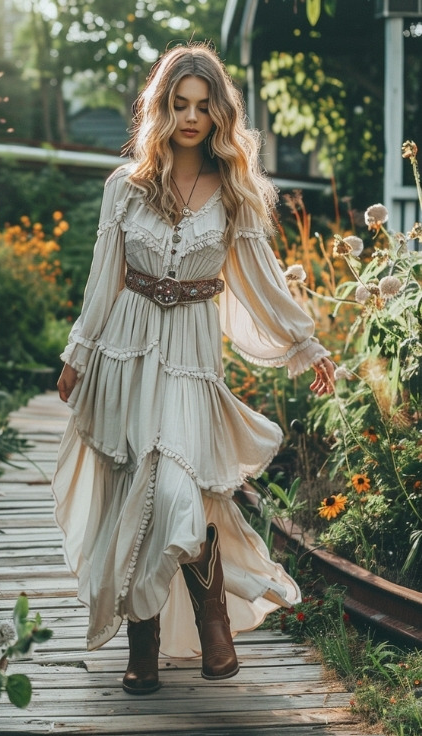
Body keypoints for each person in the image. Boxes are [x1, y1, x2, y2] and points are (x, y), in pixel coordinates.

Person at [52, 42, 335, 696]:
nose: (190, 117)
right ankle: (143, 645)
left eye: (202, 107)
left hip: (189, 357)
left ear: (218, 115)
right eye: (178, 104)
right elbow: (103, 280)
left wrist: (305, 344)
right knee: (135, 497)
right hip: (127, 350)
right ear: (160, 108)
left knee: (181, 491)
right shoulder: (125, 188)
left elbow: (261, 281)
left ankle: (213, 614)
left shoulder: (236, 193)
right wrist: (77, 353)